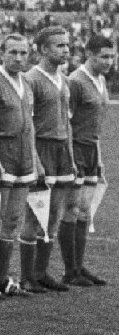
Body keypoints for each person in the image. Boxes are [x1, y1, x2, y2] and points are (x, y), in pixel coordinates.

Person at [0, 34, 41, 297]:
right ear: (1, 53)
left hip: (24, 160)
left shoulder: (26, 82)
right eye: (13, 52)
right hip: (2, 158)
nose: (18, 58)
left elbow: (30, 125)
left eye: (23, 53)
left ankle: (1, 280)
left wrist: (35, 159)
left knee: (12, 220)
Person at [22, 26, 74, 292]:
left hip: (62, 150)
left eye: (67, 45)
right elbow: (27, 123)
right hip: (41, 148)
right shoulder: (31, 79)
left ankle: (41, 272)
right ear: (43, 49)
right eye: (59, 45)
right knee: (34, 214)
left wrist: (71, 155)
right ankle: (27, 276)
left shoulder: (63, 79)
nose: (65, 50)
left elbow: (66, 120)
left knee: (54, 214)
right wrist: (34, 158)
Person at [61, 34, 114, 286]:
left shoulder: (101, 80)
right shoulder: (75, 81)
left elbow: (97, 124)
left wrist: (99, 155)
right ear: (89, 54)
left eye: (112, 56)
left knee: (85, 210)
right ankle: (69, 271)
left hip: (92, 150)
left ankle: (79, 267)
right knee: (72, 208)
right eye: (104, 56)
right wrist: (71, 157)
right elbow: (66, 122)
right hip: (76, 150)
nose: (109, 61)